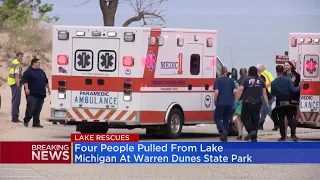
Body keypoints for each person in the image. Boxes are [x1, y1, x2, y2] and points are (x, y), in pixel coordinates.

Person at [236, 66, 269, 142]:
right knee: (255, 119)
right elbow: (264, 94)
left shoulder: (246, 79)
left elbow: (240, 89)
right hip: (257, 103)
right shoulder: (261, 81)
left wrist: (236, 100)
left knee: (244, 118)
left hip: (247, 102)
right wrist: (267, 104)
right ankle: (254, 137)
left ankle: (251, 131)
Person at [271, 65, 300, 141]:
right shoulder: (288, 80)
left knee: (281, 119)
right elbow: (293, 90)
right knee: (290, 117)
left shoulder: (274, 82)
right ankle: (293, 135)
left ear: (276, 72)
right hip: (288, 100)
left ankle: (283, 136)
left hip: (279, 101)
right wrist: (300, 86)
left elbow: (272, 94)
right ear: (283, 70)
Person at [21, 57, 51, 128]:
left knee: (38, 109)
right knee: (31, 107)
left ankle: (36, 123)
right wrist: (27, 89)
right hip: (31, 94)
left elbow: (46, 81)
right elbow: (25, 81)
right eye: (38, 62)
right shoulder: (28, 71)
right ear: (34, 63)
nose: (39, 64)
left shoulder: (41, 71)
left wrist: (49, 89)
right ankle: (26, 120)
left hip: (41, 94)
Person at [214, 66, 237, 142]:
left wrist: (215, 100)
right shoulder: (231, 81)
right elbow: (235, 91)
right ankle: (225, 135)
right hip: (229, 103)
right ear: (227, 72)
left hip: (221, 102)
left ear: (220, 71)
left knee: (216, 117)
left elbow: (216, 91)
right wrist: (234, 100)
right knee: (226, 119)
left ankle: (221, 129)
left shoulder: (218, 80)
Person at [283, 61, 301, 135]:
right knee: (286, 116)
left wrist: (293, 83)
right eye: (285, 65)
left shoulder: (297, 75)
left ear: (291, 66)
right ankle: (284, 133)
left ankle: (293, 132)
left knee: (296, 114)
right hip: (286, 97)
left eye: (287, 65)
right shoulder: (283, 75)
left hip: (295, 96)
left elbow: (297, 85)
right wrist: (291, 82)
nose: (286, 66)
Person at [256, 64, 275, 130]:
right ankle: (260, 125)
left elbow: (261, 85)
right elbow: (272, 82)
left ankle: (277, 123)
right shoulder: (268, 73)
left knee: (267, 109)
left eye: (257, 69)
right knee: (263, 110)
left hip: (266, 95)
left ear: (259, 69)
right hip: (271, 93)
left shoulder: (262, 76)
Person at [7, 52, 24, 123]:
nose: (21, 58)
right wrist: (18, 84)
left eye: (22, 56)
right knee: (16, 101)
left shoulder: (14, 62)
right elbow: (17, 75)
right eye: (20, 56)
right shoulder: (17, 64)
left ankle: (14, 117)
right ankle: (15, 118)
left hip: (12, 83)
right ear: (17, 56)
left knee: (14, 100)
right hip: (15, 83)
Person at [235, 68, 247, 140]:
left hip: (240, 102)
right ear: (246, 72)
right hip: (248, 101)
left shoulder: (237, 82)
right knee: (248, 118)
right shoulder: (249, 81)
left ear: (239, 73)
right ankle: (250, 132)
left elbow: (236, 92)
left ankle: (240, 134)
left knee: (239, 118)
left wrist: (235, 101)